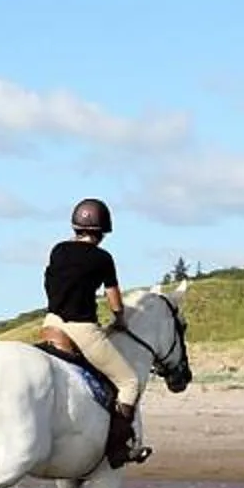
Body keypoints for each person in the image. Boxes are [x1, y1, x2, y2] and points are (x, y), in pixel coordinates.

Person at [40, 196, 147, 467]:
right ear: (102, 232)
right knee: (129, 383)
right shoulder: (103, 258)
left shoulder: (58, 250)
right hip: (82, 329)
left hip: (51, 324)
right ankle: (118, 449)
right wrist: (120, 320)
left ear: (76, 227)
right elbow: (114, 301)